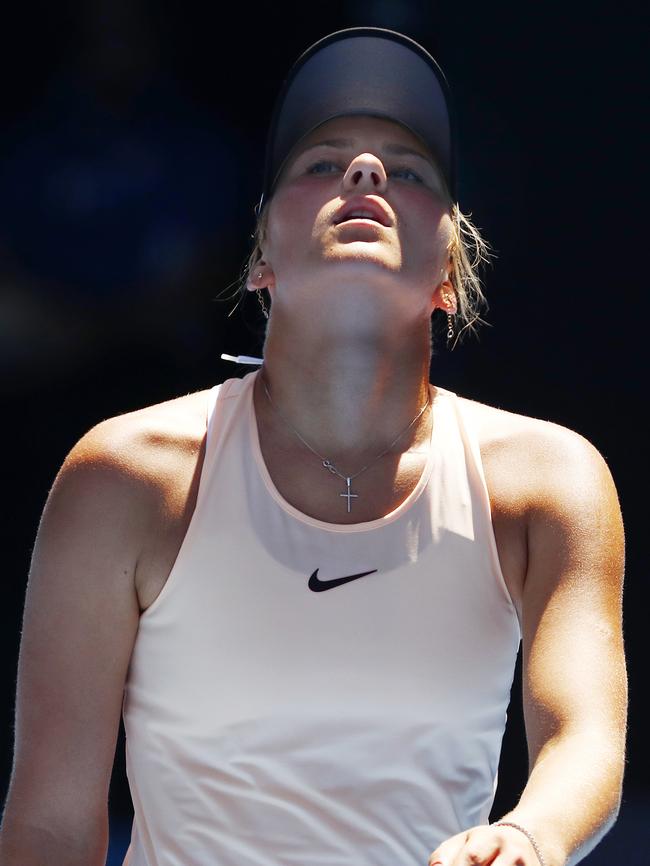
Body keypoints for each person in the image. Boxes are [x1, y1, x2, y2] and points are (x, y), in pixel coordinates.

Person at [0, 27, 626, 866]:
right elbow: (48, 821)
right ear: (261, 255)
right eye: (321, 164)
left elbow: (585, 742)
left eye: (407, 171)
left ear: (451, 269)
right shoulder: (123, 475)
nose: (365, 172)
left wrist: (528, 839)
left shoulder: (550, 481)